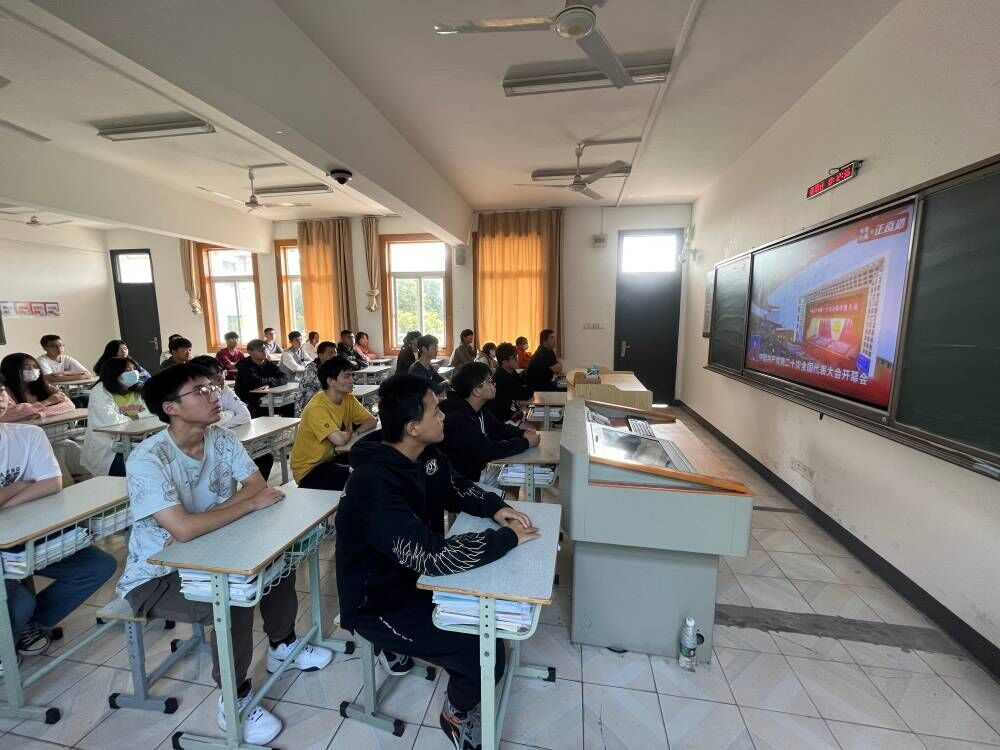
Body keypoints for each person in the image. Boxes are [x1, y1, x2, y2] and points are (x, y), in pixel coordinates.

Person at [115, 365, 332, 745]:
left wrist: (209, 519)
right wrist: (242, 507)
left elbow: (256, 484)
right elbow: (183, 530)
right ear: (171, 408)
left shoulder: (221, 438)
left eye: (212, 387)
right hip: (157, 574)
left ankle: (282, 645)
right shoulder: (148, 459)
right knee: (231, 601)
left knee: (277, 559)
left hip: (216, 546)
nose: (214, 396)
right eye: (200, 391)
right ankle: (234, 698)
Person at [335, 374, 539, 750]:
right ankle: (455, 713)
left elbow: (454, 486)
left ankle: (401, 649)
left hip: (418, 580)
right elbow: (431, 556)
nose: (444, 415)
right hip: (379, 603)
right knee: (482, 654)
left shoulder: (425, 453)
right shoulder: (373, 484)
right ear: (412, 427)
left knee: (490, 625)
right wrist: (506, 539)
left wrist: (496, 508)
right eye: (435, 411)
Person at [0, 378, 117, 662]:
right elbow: (40, 483)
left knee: (97, 566)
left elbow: (52, 483)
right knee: (20, 602)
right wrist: (24, 485)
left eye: (0, 391)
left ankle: (28, 625)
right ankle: (11, 637)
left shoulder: (27, 435)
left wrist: (6, 499)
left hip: (27, 533)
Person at [440, 363, 539, 494]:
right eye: (490, 381)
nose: (494, 384)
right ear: (476, 391)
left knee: (517, 477)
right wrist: (525, 442)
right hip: (463, 480)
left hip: (479, 469)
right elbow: (487, 450)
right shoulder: (457, 418)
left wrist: (523, 433)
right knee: (510, 492)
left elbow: (498, 429)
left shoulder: (479, 407)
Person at [290, 357, 377, 491]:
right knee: (362, 479)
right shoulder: (317, 407)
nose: (352, 380)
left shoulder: (348, 398)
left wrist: (355, 432)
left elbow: (371, 420)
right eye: (346, 376)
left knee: (372, 460)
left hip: (331, 458)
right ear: (330, 381)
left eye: (352, 375)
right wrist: (349, 432)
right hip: (310, 470)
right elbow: (339, 440)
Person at [190, 356, 271, 480]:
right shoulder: (194, 398)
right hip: (204, 448)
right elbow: (207, 425)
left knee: (265, 457)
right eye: (214, 375)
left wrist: (220, 423)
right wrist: (230, 413)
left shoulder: (223, 388)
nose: (220, 377)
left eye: (221, 371)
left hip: (224, 438)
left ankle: (249, 489)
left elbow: (245, 415)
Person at [82, 356, 152, 477]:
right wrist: (137, 417)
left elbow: (153, 412)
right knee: (142, 472)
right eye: (127, 370)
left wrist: (131, 417)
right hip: (110, 451)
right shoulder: (100, 390)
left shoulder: (139, 388)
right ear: (114, 374)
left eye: (134, 369)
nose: (133, 373)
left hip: (139, 443)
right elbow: (110, 420)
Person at [234, 339, 289, 418]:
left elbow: (284, 377)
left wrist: (268, 384)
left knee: (290, 405)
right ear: (250, 352)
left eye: (265, 349)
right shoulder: (244, 366)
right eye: (260, 350)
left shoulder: (268, 363)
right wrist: (272, 380)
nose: (264, 352)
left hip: (267, 398)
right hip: (250, 401)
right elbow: (256, 382)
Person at [489, 343, 534, 424]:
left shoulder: (511, 372)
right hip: (504, 420)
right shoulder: (501, 377)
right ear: (505, 362)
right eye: (514, 358)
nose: (517, 359)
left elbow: (524, 386)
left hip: (514, 412)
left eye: (516, 356)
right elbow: (525, 394)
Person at [294, 340, 339, 417]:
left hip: (326, 402)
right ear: (320, 355)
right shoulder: (311, 369)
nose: (334, 356)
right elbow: (312, 393)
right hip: (308, 406)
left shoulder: (335, 367)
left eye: (335, 353)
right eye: (330, 353)